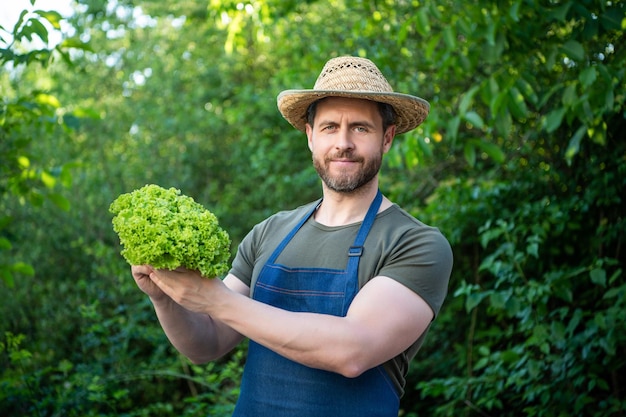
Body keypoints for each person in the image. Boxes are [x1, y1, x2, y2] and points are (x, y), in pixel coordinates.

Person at [131, 56, 453, 416]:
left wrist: (213, 298)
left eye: (360, 128)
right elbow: (206, 344)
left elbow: (352, 350)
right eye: (330, 127)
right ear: (310, 136)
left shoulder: (415, 244)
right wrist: (165, 299)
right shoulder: (270, 232)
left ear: (387, 138)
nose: (343, 143)